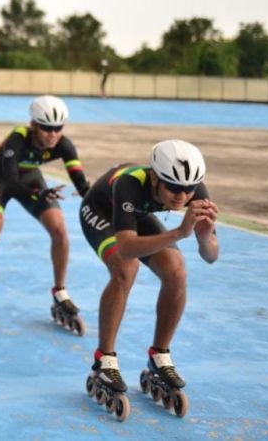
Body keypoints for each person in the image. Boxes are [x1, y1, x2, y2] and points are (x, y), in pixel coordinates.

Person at [80, 140, 219, 402]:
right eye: (174, 188)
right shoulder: (129, 183)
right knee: (125, 269)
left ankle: (160, 356)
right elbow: (127, 248)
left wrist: (204, 238)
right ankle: (105, 360)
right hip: (101, 211)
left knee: (177, 272)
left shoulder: (195, 189)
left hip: (136, 214)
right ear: (155, 178)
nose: (182, 196)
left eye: (188, 189)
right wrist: (179, 232)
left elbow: (211, 256)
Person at [0, 95, 91, 329]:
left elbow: (80, 180)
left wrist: (90, 193)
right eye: (46, 128)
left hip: (30, 178)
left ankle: (60, 292)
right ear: (34, 125)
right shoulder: (17, 140)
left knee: (59, 230)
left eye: (57, 128)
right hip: (0, 178)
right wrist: (38, 193)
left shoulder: (64, 144)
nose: (53, 134)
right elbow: (11, 179)